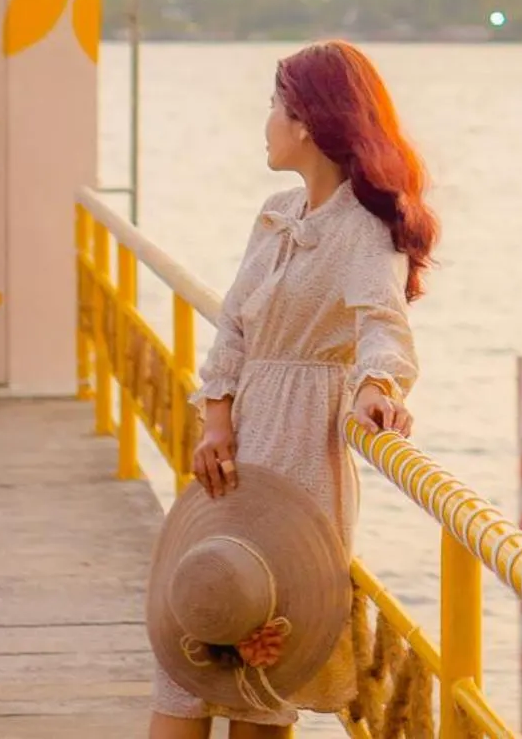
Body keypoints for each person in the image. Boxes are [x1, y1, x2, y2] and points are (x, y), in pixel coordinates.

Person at [149, 39, 438, 737]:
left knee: (262, 667)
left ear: (306, 121)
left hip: (304, 454)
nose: (266, 123)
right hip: (239, 448)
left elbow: (382, 322)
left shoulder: (363, 229)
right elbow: (234, 330)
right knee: (187, 650)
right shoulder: (277, 212)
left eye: (274, 108)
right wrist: (215, 420)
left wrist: (375, 387)